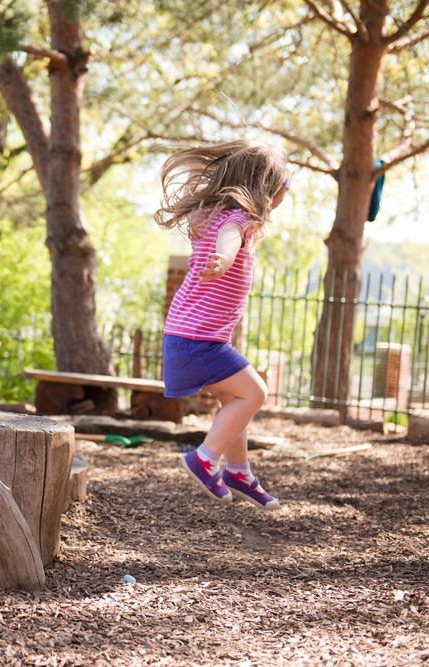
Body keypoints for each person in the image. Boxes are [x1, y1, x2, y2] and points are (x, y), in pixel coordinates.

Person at [154, 139, 290, 511]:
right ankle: (204, 458)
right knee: (255, 393)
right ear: (263, 187)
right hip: (199, 341)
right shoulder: (236, 221)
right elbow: (228, 240)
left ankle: (238, 471)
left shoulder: (209, 215)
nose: (286, 191)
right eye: (284, 183)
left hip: (187, 337)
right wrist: (225, 259)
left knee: (236, 399)